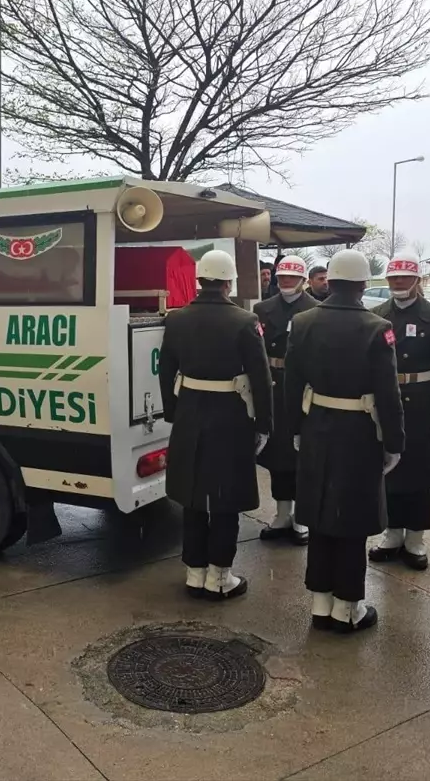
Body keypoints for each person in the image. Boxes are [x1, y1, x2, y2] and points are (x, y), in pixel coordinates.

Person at [285, 249, 404, 633]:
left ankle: (320, 604)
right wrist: (394, 441)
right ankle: (347, 608)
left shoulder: (302, 322)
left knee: (320, 515)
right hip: (359, 432)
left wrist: (295, 429)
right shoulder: (375, 327)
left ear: (330, 281)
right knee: (351, 521)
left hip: (317, 424)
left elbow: (292, 384)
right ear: (362, 285)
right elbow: (388, 394)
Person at [158, 250, 273, 600]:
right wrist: (265, 423)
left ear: (200, 279)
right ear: (228, 281)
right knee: (225, 498)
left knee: (193, 497)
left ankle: (194, 572)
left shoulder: (177, 320)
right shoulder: (244, 320)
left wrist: (172, 411)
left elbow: (165, 370)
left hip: (190, 412)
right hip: (231, 416)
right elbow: (261, 376)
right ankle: (220, 576)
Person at [367, 254, 430, 571]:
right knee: (389, 467)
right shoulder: (376, 315)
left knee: (418, 470)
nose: (398, 282)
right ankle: (392, 533)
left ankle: (415, 537)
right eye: (393, 278)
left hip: (421, 402)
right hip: (388, 401)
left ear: (417, 279)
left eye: (404, 277)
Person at [255, 255, 318, 545]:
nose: (286, 282)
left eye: (292, 278)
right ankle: (281, 514)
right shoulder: (262, 309)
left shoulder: (316, 310)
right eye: (282, 278)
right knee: (278, 454)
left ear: (304, 280)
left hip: (303, 387)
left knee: (302, 455)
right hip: (272, 384)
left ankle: (301, 518)